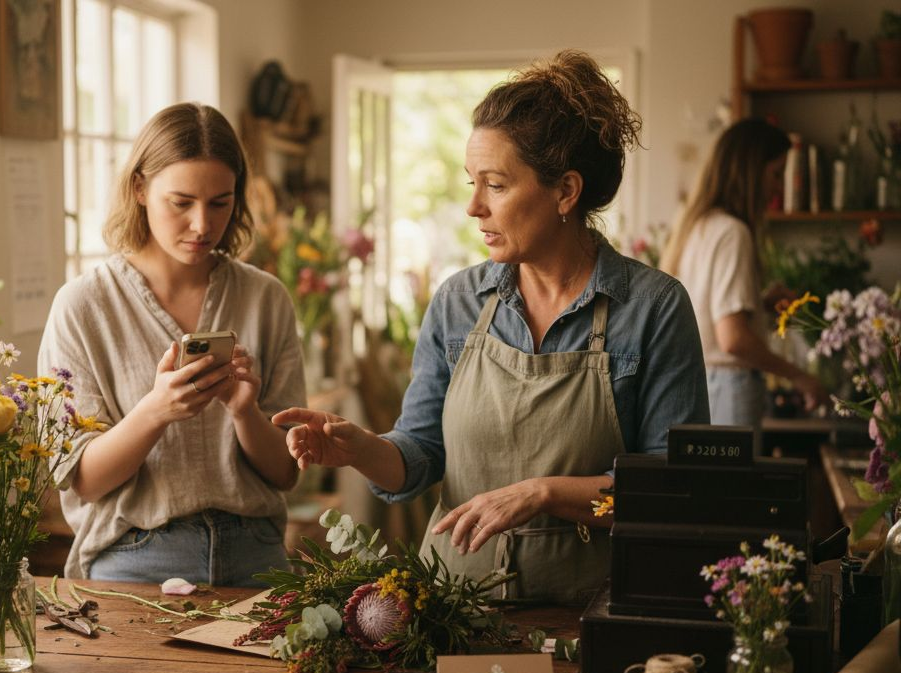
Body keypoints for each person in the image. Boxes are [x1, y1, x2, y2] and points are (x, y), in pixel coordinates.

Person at [273, 51, 709, 606]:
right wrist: (360, 449)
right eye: (471, 183)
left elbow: (671, 492)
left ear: (565, 192)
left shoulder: (653, 309)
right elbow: (419, 454)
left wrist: (543, 493)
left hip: (594, 617)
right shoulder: (459, 302)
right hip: (455, 611)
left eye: (496, 185)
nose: (473, 207)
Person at [39, 102, 305, 586]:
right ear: (139, 188)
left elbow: (286, 473)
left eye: (220, 203)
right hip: (135, 553)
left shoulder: (266, 299)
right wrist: (156, 410)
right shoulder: (83, 305)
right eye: (180, 202)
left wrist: (245, 413)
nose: (202, 225)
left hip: (256, 552)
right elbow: (82, 480)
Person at [659, 118, 827, 427]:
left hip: (698, 384)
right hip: (730, 387)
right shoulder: (733, 232)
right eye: (776, 174)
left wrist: (756, 304)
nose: (778, 188)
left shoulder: (697, 225)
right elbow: (733, 339)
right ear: (750, 171)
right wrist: (800, 376)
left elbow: (706, 317)